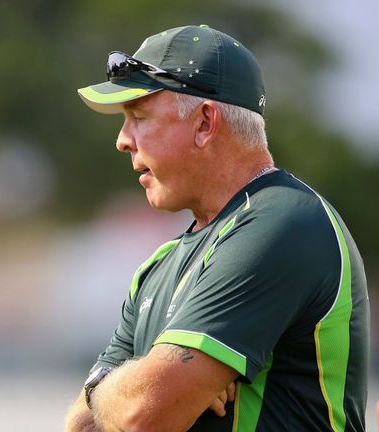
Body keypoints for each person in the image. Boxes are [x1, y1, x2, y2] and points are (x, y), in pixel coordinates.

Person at [64, 25, 368, 431]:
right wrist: (143, 381)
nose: (123, 140)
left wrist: (139, 381)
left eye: (138, 117)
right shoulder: (162, 262)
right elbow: (81, 425)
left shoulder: (282, 223)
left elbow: (142, 415)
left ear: (205, 122)